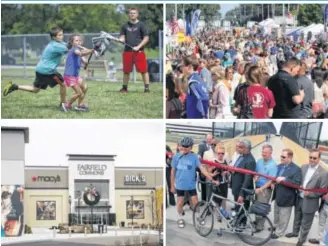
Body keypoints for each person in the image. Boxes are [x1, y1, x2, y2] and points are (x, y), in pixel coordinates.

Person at [3, 27, 69, 112]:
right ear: (54, 37)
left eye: (62, 34)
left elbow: (67, 46)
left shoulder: (56, 43)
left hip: (40, 70)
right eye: (59, 35)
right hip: (48, 71)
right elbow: (70, 49)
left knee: (35, 89)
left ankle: (14, 86)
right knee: (63, 84)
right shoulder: (56, 46)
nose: (62, 36)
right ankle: (63, 105)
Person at [170, 136, 219, 228]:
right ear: (180, 146)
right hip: (180, 185)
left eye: (187, 146)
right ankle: (180, 217)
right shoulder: (176, 157)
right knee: (180, 203)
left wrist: (212, 179)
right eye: (182, 146)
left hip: (191, 185)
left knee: (195, 202)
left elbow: (202, 169)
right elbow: (172, 172)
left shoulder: (194, 157)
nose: (184, 148)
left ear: (191, 147)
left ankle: (198, 216)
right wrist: (172, 186)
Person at [284, 150, 328, 246]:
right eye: (310, 157)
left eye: (314, 158)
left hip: (310, 202)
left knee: (306, 222)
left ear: (319, 159)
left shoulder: (323, 173)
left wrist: (311, 194)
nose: (312, 159)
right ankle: (295, 233)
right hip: (299, 197)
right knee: (297, 217)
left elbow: (323, 190)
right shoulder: (303, 167)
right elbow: (298, 180)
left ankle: (302, 239)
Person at [271, 149, 302, 239]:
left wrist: (285, 179)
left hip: (287, 197)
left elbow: (297, 183)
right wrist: (273, 182)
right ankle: (275, 226)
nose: (281, 158)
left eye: (283, 157)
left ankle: (279, 233)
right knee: (276, 213)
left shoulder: (296, 169)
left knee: (284, 217)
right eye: (281, 156)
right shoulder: (280, 166)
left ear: (290, 157)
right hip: (277, 195)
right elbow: (275, 177)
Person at [117, 7, 150, 93]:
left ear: (137, 14)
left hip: (139, 52)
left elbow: (146, 38)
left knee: (143, 70)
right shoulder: (124, 26)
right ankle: (124, 88)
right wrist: (121, 39)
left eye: (134, 13)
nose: (132, 14)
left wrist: (138, 47)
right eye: (131, 13)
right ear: (129, 14)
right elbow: (122, 37)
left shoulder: (141, 25)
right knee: (126, 71)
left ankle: (146, 88)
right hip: (127, 51)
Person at [63, 34, 94, 111]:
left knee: (85, 87)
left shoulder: (79, 50)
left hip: (75, 76)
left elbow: (85, 61)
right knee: (78, 92)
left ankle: (80, 105)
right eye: (76, 40)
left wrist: (86, 62)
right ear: (72, 42)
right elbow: (79, 53)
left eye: (80, 40)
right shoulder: (74, 49)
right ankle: (67, 104)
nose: (79, 42)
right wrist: (90, 51)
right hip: (69, 76)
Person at [230, 139, 256, 220]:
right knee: (238, 208)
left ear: (247, 148)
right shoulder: (241, 156)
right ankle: (237, 222)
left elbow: (247, 179)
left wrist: (242, 194)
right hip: (236, 189)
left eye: (241, 147)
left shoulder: (250, 161)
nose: (238, 149)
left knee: (243, 210)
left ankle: (241, 225)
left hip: (242, 190)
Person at [254, 144, 278, 232]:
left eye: (266, 153)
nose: (264, 154)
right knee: (256, 206)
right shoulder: (259, 161)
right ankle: (257, 222)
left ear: (271, 153)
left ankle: (260, 226)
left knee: (262, 208)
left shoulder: (273, 165)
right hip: (257, 187)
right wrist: (255, 176)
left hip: (265, 190)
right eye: (263, 152)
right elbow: (256, 172)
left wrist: (261, 189)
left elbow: (271, 181)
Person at [198, 133, 213, 202]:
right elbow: (199, 154)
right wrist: (199, 156)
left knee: (211, 185)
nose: (209, 141)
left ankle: (211, 200)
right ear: (206, 139)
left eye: (210, 139)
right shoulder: (201, 146)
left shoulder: (215, 146)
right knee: (203, 184)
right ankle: (203, 200)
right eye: (207, 139)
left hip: (212, 169)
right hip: (204, 168)